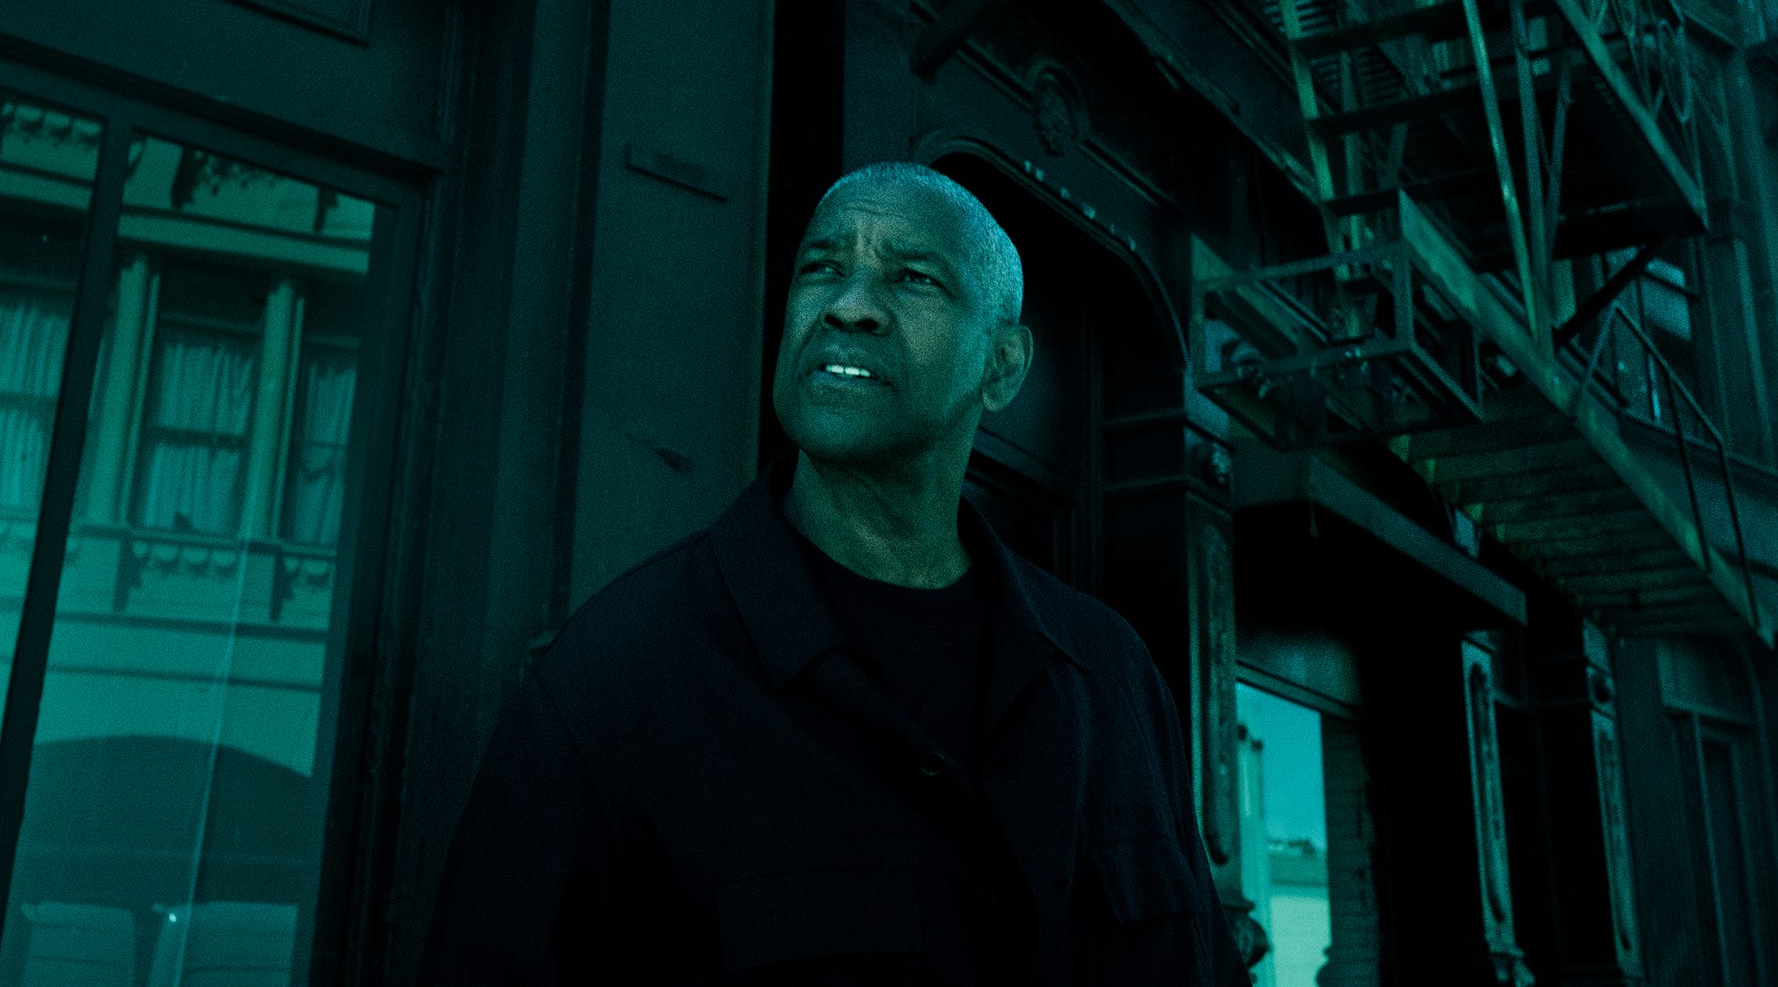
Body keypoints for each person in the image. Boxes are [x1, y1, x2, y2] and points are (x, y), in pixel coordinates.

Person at [422, 161, 1251, 985]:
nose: (849, 304)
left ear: (1002, 365)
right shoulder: (615, 678)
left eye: (912, 277)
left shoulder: (1112, 672)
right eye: (821, 268)